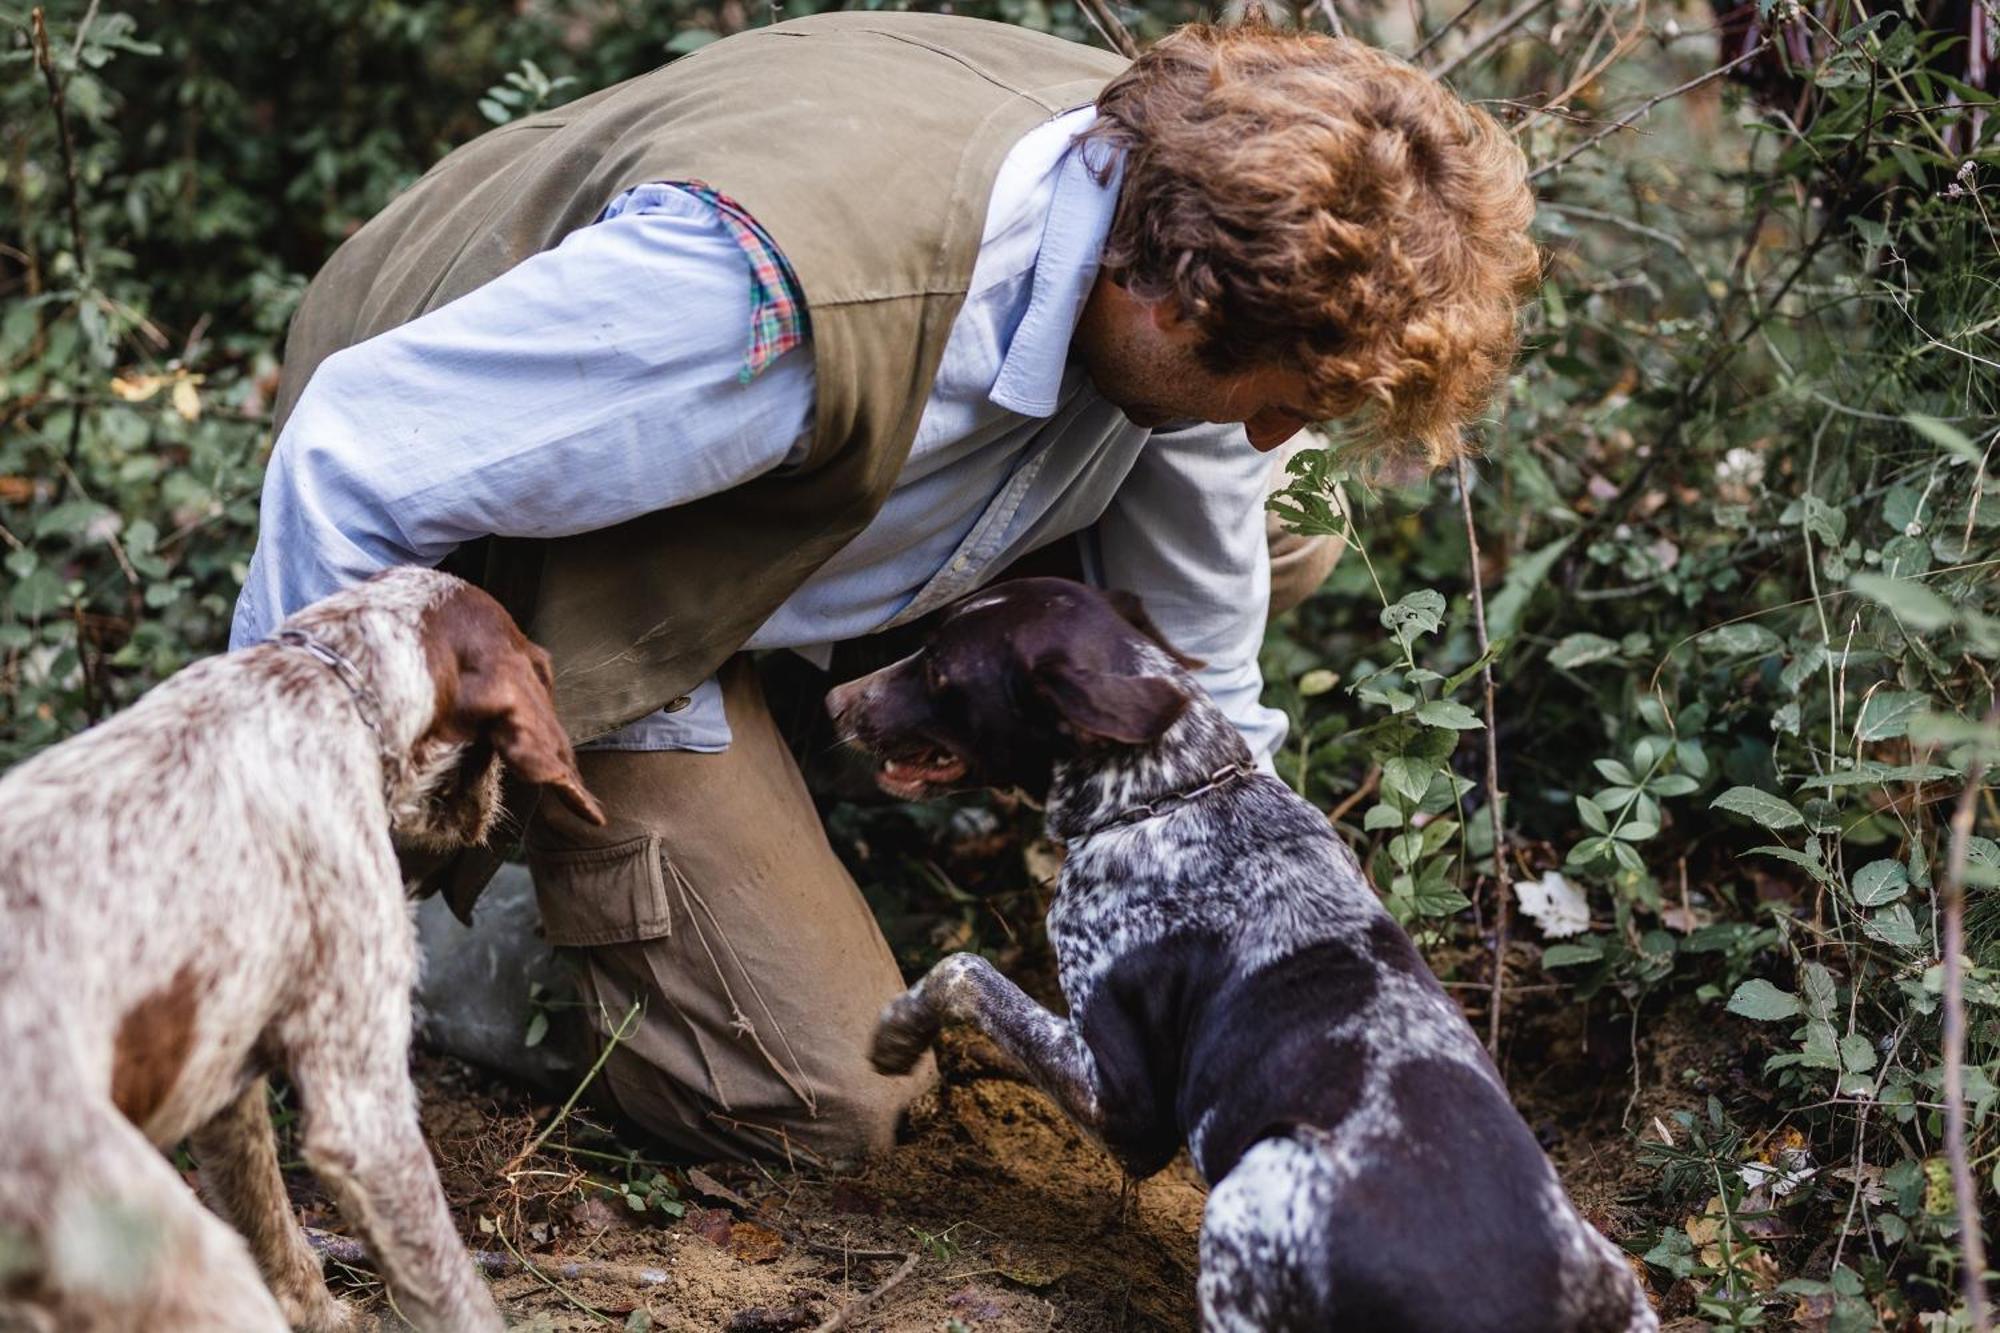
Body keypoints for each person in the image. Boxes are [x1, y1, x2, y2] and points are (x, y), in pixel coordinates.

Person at [230, 11, 1539, 1164]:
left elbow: (1199, 646)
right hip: (554, 514)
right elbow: (354, 452)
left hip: (772, 476)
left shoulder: (1193, 218)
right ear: (1170, 306)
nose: (1271, 434)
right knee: (835, 1100)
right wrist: (281, 886)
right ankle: (494, 923)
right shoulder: (766, 305)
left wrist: (1266, 915)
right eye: (1278, 400)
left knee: (1287, 535)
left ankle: (805, 716)